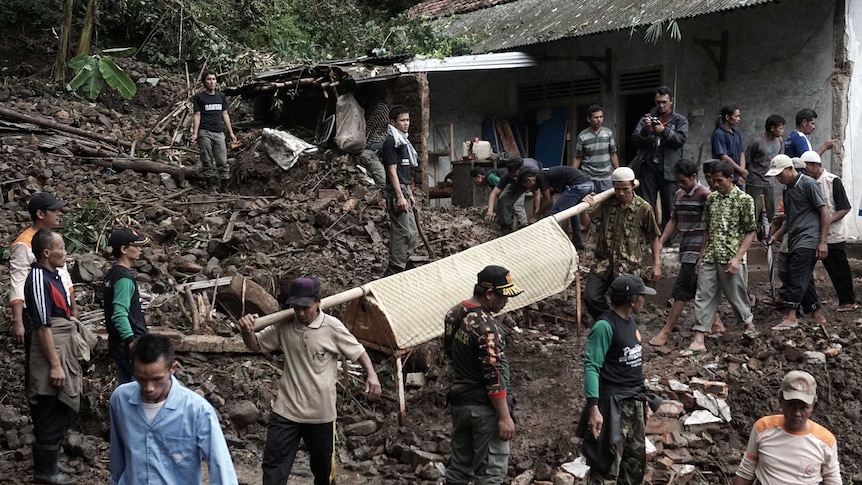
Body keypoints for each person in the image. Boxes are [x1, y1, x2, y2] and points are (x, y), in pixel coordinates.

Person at [239, 277, 381, 485]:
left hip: (321, 415)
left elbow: (359, 351)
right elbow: (255, 345)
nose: (301, 313)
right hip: (287, 411)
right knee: (273, 470)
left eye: (306, 307)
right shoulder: (284, 325)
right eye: (296, 307)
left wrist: (372, 374)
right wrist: (246, 331)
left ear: (318, 302)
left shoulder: (332, 327)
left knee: (324, 473)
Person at [109, 333, 238, 485]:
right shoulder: (121, 400)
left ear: (173, 368)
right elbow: (118, 457)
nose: (149, 388)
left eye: (157, 379)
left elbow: (221, 467)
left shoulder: (197, 411)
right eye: (141, 379)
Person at [443, 265, 524, 485]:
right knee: (491, 474)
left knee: (459, 468)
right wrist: (505, 417)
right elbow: (494, 375)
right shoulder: (489, 329)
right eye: (503, 296)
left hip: (460, 403)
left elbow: (449, 351)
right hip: (485, 410)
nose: (505, 302)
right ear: (489, 294)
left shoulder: (454, 314)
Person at [576, 274, 661, 485]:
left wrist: (643, 400)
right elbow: (592, 367)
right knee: (606, 466)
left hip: (634, 402)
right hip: (612, 405)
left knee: (634, 465)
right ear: (632, 300)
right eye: (642, 296)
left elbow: (634, 366)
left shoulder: (630, 322)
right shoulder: (604, 326)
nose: (644, 300)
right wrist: (594, 408)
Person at [24, 229, 83, 485]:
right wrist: (55, 365)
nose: (65, 252)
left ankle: (52, 463)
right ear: (47, 252)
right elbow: (42, 325)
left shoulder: (54, 275)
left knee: (61, 406)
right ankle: (45, 472)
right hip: (50, 353)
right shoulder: (38, 278)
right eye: (62, 247)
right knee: (48, 405)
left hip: (62, 346)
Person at [681, 161, 756, 356]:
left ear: (731, 178)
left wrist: (738, 258)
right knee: (703, 295)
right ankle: (699, 338)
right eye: (713, 180)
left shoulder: (744, 200)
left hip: (731, 256)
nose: (715, 184)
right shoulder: (711, 200)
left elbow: (750, 233)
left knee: (736, 295)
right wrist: (701, 256)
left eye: (719, 180)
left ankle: (749, 325)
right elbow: (706, 230)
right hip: (710, 256)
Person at [649, 160, 724, 347]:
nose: (680, 185)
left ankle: (666, 331)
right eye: (678, 182)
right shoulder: (679, 194)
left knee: (681, 292)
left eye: (683, 181)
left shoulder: (705, 196)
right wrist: (662, 240)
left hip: (697, 251)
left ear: (694, 177)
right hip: (686, 249)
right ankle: (717, 324)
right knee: (700, 290)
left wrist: (703, 253)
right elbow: (674, 219)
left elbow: (711, 226)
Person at [732, 370, 841, 485]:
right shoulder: (763, 428)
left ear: (813, 406)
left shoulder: (826, 441)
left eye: (803, 407)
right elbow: (746, 472)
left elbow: (832, 480)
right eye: (791, 406)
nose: (797, 413)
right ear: (781, 401)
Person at [581, 167, 662, 320]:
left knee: (626, 304)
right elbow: (586, 223)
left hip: (628, 266)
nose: (621, 193)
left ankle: (620, 328)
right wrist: (586, 206)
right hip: (603, 262)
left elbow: (654, 236)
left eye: (625, 189)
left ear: (632, 185)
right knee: (591, 297)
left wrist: (656, 264)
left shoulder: (643, 208)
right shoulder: (606, 203)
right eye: (617, 189)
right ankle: (609, 323)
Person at [766, 154, 830, 331]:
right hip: (794, 238)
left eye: (780, 174)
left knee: (796, 274)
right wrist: (775, 236)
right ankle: (816, 313)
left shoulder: (809, 184)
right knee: (803, 276)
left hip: (808, 239)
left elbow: (824, 212)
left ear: (790, 169)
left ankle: (791, 315)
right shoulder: (787, 190)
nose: (779, 178)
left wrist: (822, 242)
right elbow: (790, 218)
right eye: (776, 176)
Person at [9, 192, 78, 345]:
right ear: (40, 214)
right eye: (54, 210)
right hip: (35, 309)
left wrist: (73, 306)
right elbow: (18, 282)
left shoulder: (53, 239)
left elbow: (64, 274)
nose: (58, 214)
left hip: (58, 305)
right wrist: (18, 320)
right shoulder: (23, 244)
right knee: (39, 352)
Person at [801, 150, 857, 311]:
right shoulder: (806, 182)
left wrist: (827, 221)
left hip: (833, 234)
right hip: (812, 233)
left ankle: (847, 300)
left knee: (839, 269)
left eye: (807, 168)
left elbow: (844, 208)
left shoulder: (832, 181)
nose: (805, 172)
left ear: (816, 165)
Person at [632, 86, 689, 229]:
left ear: (671, 101)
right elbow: (635, 140)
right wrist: (646, 130)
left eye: (664, 102)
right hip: (649, 167)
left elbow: (679, 140)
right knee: (646, 205)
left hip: (670, 169)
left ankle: (669, 240)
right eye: (658, 102)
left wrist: (664, 131)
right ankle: (647, 236)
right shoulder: (647, 118)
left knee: (670, 206)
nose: (661, 105)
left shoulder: (680, 120)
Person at [104, 228, 151, 384]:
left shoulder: (112, 274)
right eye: (135, 246)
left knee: (127, 389)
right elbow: (119, 314)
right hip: (128, 343)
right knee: (143, 387)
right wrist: (132, 343)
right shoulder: (124, 278)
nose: (140, 250)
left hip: (117, 343)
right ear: (124, 249)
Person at [382, 105, 418, 275]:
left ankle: (401, 264)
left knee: (412, 233)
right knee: (402, 231)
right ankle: (394, 269)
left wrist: (409, 193)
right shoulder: (391, 142)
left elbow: (405, 172)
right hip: (395, 191)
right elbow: (392, 171)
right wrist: (399, 196)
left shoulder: (403, 141)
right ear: (393, 122)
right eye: (402, 120)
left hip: (404, 189)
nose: (406, 123)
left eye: (408, 120)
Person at [518, 165, 593, 248]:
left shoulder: (540, 177)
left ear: (529, 180)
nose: (528, 190)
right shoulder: (547, 177)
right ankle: (577, 240)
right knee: (571, 209)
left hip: (579, 186)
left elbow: (547, 202)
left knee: (556, 214)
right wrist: (543, 219)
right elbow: (549, 203)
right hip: (588, 184)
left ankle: (555, 244)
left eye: (526, 186)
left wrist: (535, 217)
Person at [192, 71, 238, 192]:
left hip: (219, 132)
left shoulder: (221, 96)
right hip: (204, 132)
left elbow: (225, 114)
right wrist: (195, 133)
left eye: (213, 79)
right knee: (206, 159)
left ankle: (224, 187)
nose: (212, 81)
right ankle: (210, 185)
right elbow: (197, 115)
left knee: (222, 160)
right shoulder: (199, 97)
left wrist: (231, 132)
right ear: (204, 82)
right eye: (209, 79)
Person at [744, 115, 785, 230]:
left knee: (770, 211)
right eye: (780, 128)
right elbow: (747, 160)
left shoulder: (780, 141)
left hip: (770, 182)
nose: (782, 131)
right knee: (754, 211)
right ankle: (752, 237)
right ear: (772, 128)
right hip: (755, 182)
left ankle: (767, 235)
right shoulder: (757, 142)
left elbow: (780, 159)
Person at [485, 157, 542, 234]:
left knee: (518, 204)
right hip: (518, 183)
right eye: (511, 176)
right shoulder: (507, 176)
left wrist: (536, 216)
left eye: (515, 176)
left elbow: (537, 194)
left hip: (529, 178)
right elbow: (494, 193)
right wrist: (490, 211)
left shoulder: (532, 172)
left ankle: (527, 225)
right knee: (503, 199)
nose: (514, 178)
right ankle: (506, 227)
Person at [573, 104, 620, 193]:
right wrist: (572, 174)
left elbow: (613, 154)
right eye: (596, 117)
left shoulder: (608, 133)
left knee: (607, 203)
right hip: (588, 177)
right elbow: (578, 157)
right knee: (590, 204)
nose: (599, 120)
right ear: (588, 119)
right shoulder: (582, 136)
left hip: (606, 177)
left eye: (601, 117)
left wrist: (618, 173)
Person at [711, 105, 746, 184]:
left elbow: (741, 153)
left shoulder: (736, 133)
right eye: (736, 116)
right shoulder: (719, 133)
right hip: (725, 177)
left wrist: (741, 172)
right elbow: (723, 156)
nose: (738, 119)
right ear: (727, 117)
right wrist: (741, 170)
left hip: (738, 176)